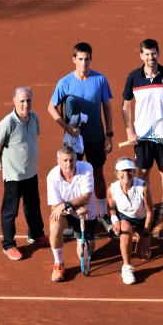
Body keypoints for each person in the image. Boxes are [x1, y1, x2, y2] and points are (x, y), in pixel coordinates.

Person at [47, 42, 113, 232]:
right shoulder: (65, 82)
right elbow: (51, 108)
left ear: (91, 59)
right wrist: (67, 127)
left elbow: (107, 107)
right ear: (73, 59)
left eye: (87, 59)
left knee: (98, 173)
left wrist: (109, 134)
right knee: (71, 176)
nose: (84, 62)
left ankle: (103, 214)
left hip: (95, 137)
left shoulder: (100, 80)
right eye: (80, 59)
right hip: (73, 141)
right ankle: (69, 220)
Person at [122, 38, 163, 222]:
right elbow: (126, 106)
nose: (151, 57)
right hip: (142, 135)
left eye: (154, 53)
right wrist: (129, 132)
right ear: (141, 55)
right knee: (143, 172)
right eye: (147, 54)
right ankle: (146, 207)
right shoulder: (134, 77)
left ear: (159, 53)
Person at [0, 86, 48, 260]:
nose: (26, 104)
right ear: (14, 102)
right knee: (10, 211)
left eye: (28, 100)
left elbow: (32, 140)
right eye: (22, 101)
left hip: (30, 173)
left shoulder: (34, 118)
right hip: (13, 176)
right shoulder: (7, 123)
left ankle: (36, 233)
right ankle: (8, 244)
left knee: (33, 205)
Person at [46, 145, 98, 282]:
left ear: (76, 159)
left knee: (85, 254)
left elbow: (86, 197)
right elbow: (54, 209)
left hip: (86, 213)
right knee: (55, 225)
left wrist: (66, 205)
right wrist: (72, 208)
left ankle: (83, 241)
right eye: (65, 161)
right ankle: (58, 263)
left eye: (71, 160)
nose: (68, 164)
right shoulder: (52, 176)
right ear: (58, 161)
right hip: (67, 213)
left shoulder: (87, 168)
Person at [107, 157, 154, 285]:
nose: (126, 174)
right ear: (116, 173)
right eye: (122, 171)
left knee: (143, 255)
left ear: (134, 172)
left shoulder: (143, 187)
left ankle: (139, 236)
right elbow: (110, 208)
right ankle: (127, 267)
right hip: (126, 218)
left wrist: (145, 233)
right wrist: (115, 221)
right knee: (125, 230)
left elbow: (150, 211)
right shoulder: (112, 189)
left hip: (143, 219)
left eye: (129, 170)